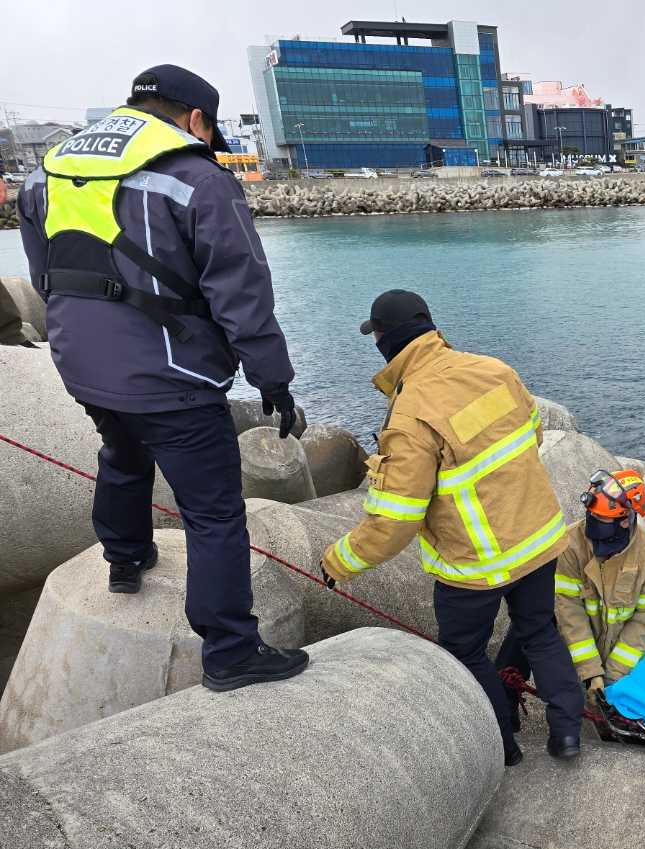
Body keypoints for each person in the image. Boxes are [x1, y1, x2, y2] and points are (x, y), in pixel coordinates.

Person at [16, 65, 306, 692]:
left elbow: (44, 275)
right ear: (196, 119)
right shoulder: (198, 178)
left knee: (122, 452)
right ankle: (231, 650)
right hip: (171, 374)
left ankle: (124, 559)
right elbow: (242, 293)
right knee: (214, 513)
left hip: (80, 362)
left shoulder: (50, 170)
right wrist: (273, 381)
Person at [321, 289, 583, 764]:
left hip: (474, 565)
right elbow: (533, 433)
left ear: (384, 340)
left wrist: (338, 562)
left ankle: (503, 749)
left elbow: (396, 520)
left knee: (466, 652)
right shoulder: (494, 369)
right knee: (541, 633)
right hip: (538, 540)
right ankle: (567, 735)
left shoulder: (410, 414)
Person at [554, 470, 645, 707]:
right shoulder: (570, 545)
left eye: (603, 520)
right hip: (577, 644)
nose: (593, 524)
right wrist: (590, 672)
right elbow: (569, 612)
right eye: (592, 516)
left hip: (627, 651)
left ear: (627, 519)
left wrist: (611, 678)